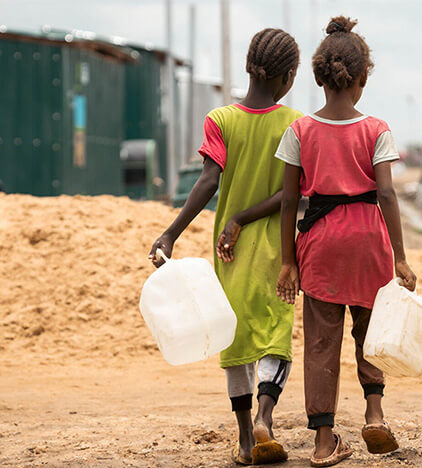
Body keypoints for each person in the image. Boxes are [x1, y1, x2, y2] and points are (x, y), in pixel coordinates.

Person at [148, 28, 302, 466]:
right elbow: (292, 194)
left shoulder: (220, 120)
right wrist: (248, 218)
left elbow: (208, 181)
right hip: (276, 251)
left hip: (228, 253)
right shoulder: (295, 124)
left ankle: (245, 438)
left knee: (235, 341)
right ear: (288, 77)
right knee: (274, 336)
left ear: (248, 68)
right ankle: (266, 417)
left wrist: (171, 233)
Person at [273, 16, 417, 467]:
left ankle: (323, 441)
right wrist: (401, 258)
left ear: (319, 77)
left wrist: (287, 262)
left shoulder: (299, 131)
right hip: (368, 243)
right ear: (362, 78)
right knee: (371, 331)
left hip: (320, 246)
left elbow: (289, 201)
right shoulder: (376, 130)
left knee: (321, 342)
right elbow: (387, 194)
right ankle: (374, 414)